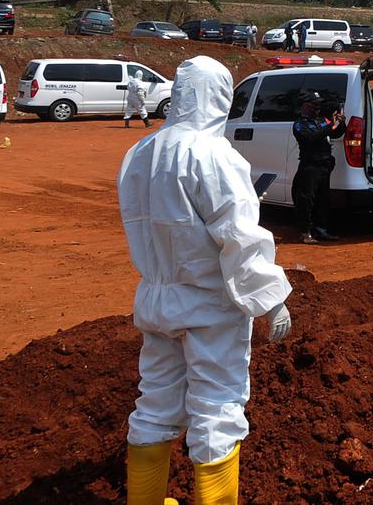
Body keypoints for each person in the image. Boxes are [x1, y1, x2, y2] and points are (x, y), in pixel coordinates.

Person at [118, 56, 292, 505]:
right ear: (219, 97)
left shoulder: (139, 153)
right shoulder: (214, 155)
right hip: (210, 307)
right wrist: (270, 298)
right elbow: (239, 237)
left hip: (156, 299)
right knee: (217, 409)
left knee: (155, 402)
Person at [292, 92, 345, 244]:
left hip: (324, 165)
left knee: (323, 199)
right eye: (315, 105)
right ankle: (305, 232)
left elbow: (335, 133)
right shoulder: (300, 124)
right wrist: (330, 126)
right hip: (310, 166)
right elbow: (312, 138)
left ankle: (320, 229)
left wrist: (340, 123)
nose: (318, 108)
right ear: (306, 106)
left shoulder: (321, 121)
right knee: (306, 199)